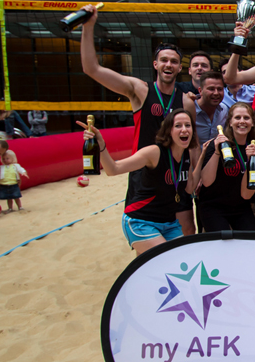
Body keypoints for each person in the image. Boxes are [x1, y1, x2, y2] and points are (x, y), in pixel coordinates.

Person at [80, 4, 198, 236]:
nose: (168, 65)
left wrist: (194, 171)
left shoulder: (186, 102)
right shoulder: (140, 90)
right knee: (148, 229)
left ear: (180, 68)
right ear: (156, 65)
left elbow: (192, 142)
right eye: (164, 60)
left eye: (174, 62)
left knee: (187, 232)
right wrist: (88, 26)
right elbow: (91, 69)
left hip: (176, 173)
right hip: (146, 170)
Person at [77, 109, 205, 256]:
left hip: (169, 224)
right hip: (141, 221)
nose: (184, 129)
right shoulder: (154, 152)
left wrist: (201, 158)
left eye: (188, 125)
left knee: (182, 260)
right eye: (178, 125)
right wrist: (101, 144)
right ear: (169, 130)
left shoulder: (185, 154)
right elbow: (113, 169)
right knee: (168, 259)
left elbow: (189, 188)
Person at [198, 103, 255, 232]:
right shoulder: (217, 145)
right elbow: (206, 182)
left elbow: (247, 195)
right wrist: (216, 152)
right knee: (223, 243)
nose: (242, 121)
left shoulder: (254, 149)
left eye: (246, 118)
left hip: (241, 207)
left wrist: (250, 160)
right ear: (230, 122)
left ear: (253, 123)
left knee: (252, 243)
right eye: (237, 118)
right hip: (213, 206)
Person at [194, 71, 229, 147]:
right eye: (211, 89)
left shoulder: (224, 110)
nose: (216, 93)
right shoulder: (191, 109)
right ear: (200, 91)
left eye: (219, 89)